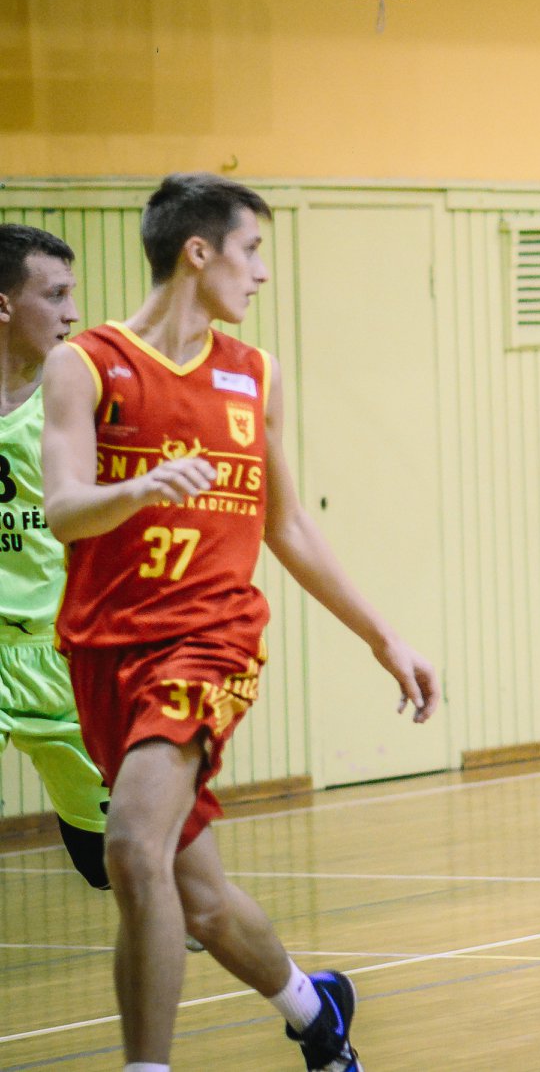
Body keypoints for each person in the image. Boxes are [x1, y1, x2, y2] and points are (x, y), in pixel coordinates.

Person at [40, 174, 441, 1072]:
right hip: (104, 649)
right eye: (251, 250)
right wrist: (139, 489)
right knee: (200, 897)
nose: (260, 272)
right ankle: (315, 1012)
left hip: (209, 641)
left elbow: (286, 525)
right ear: (199, 251)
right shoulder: (88, 363)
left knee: (130, 848)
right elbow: (64, 509)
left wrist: (385, 638)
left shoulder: (255, 375)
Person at [0, 224, 110, 891]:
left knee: (110, 865)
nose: (73, 312)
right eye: (56, 294)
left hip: (60, 653)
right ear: (4, 304)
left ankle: (178, 921)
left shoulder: (73, 407)